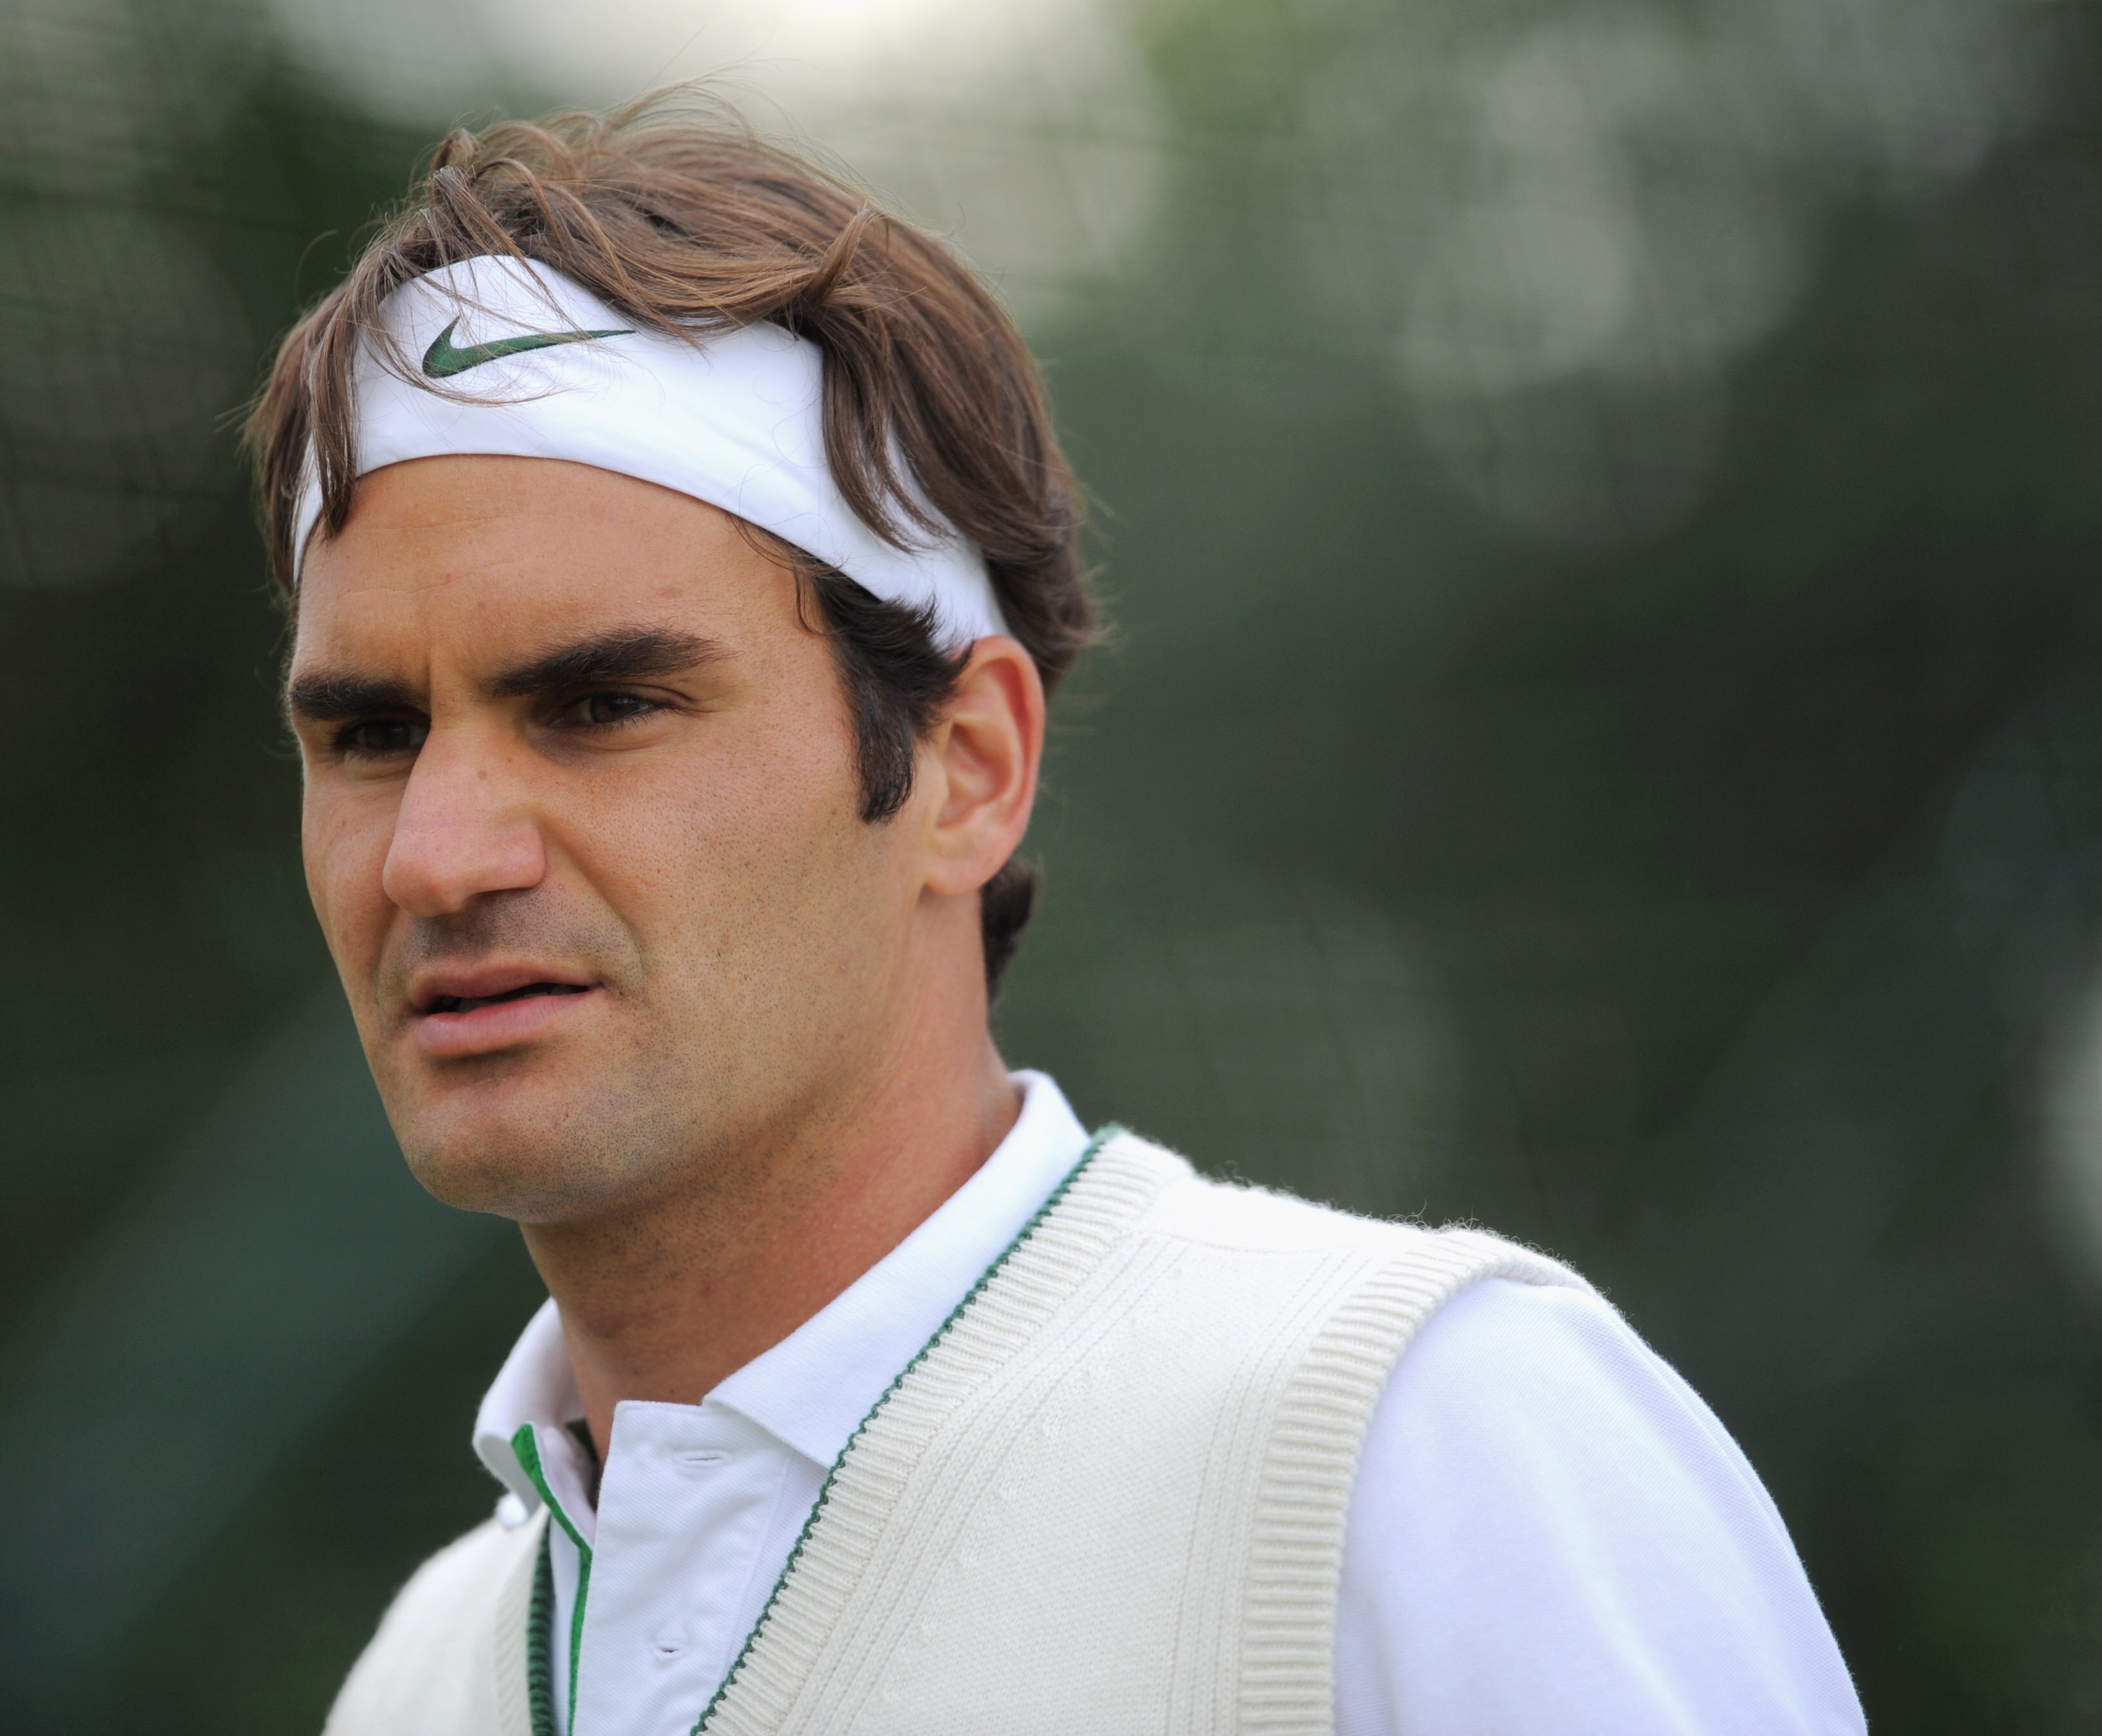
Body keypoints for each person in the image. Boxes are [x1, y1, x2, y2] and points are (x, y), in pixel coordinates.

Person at [247, 96, 1863, 1736]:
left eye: (601, 705)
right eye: (369, 736)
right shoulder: (420, 1683)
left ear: (964, 768)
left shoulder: (1414, 1445)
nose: (434, 858)